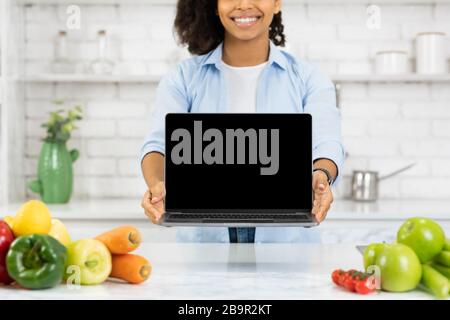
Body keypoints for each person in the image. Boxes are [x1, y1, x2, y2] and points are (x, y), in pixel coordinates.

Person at [140, 0, 345, 244]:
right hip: (205, 241)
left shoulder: (309, 78)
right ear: (215, 6)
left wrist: (321, 175)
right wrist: (157, 184)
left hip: (285, 241)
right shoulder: (182, 78)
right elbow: (158, 145)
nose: (244, 4)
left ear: (277, 3)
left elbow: (326, 143)